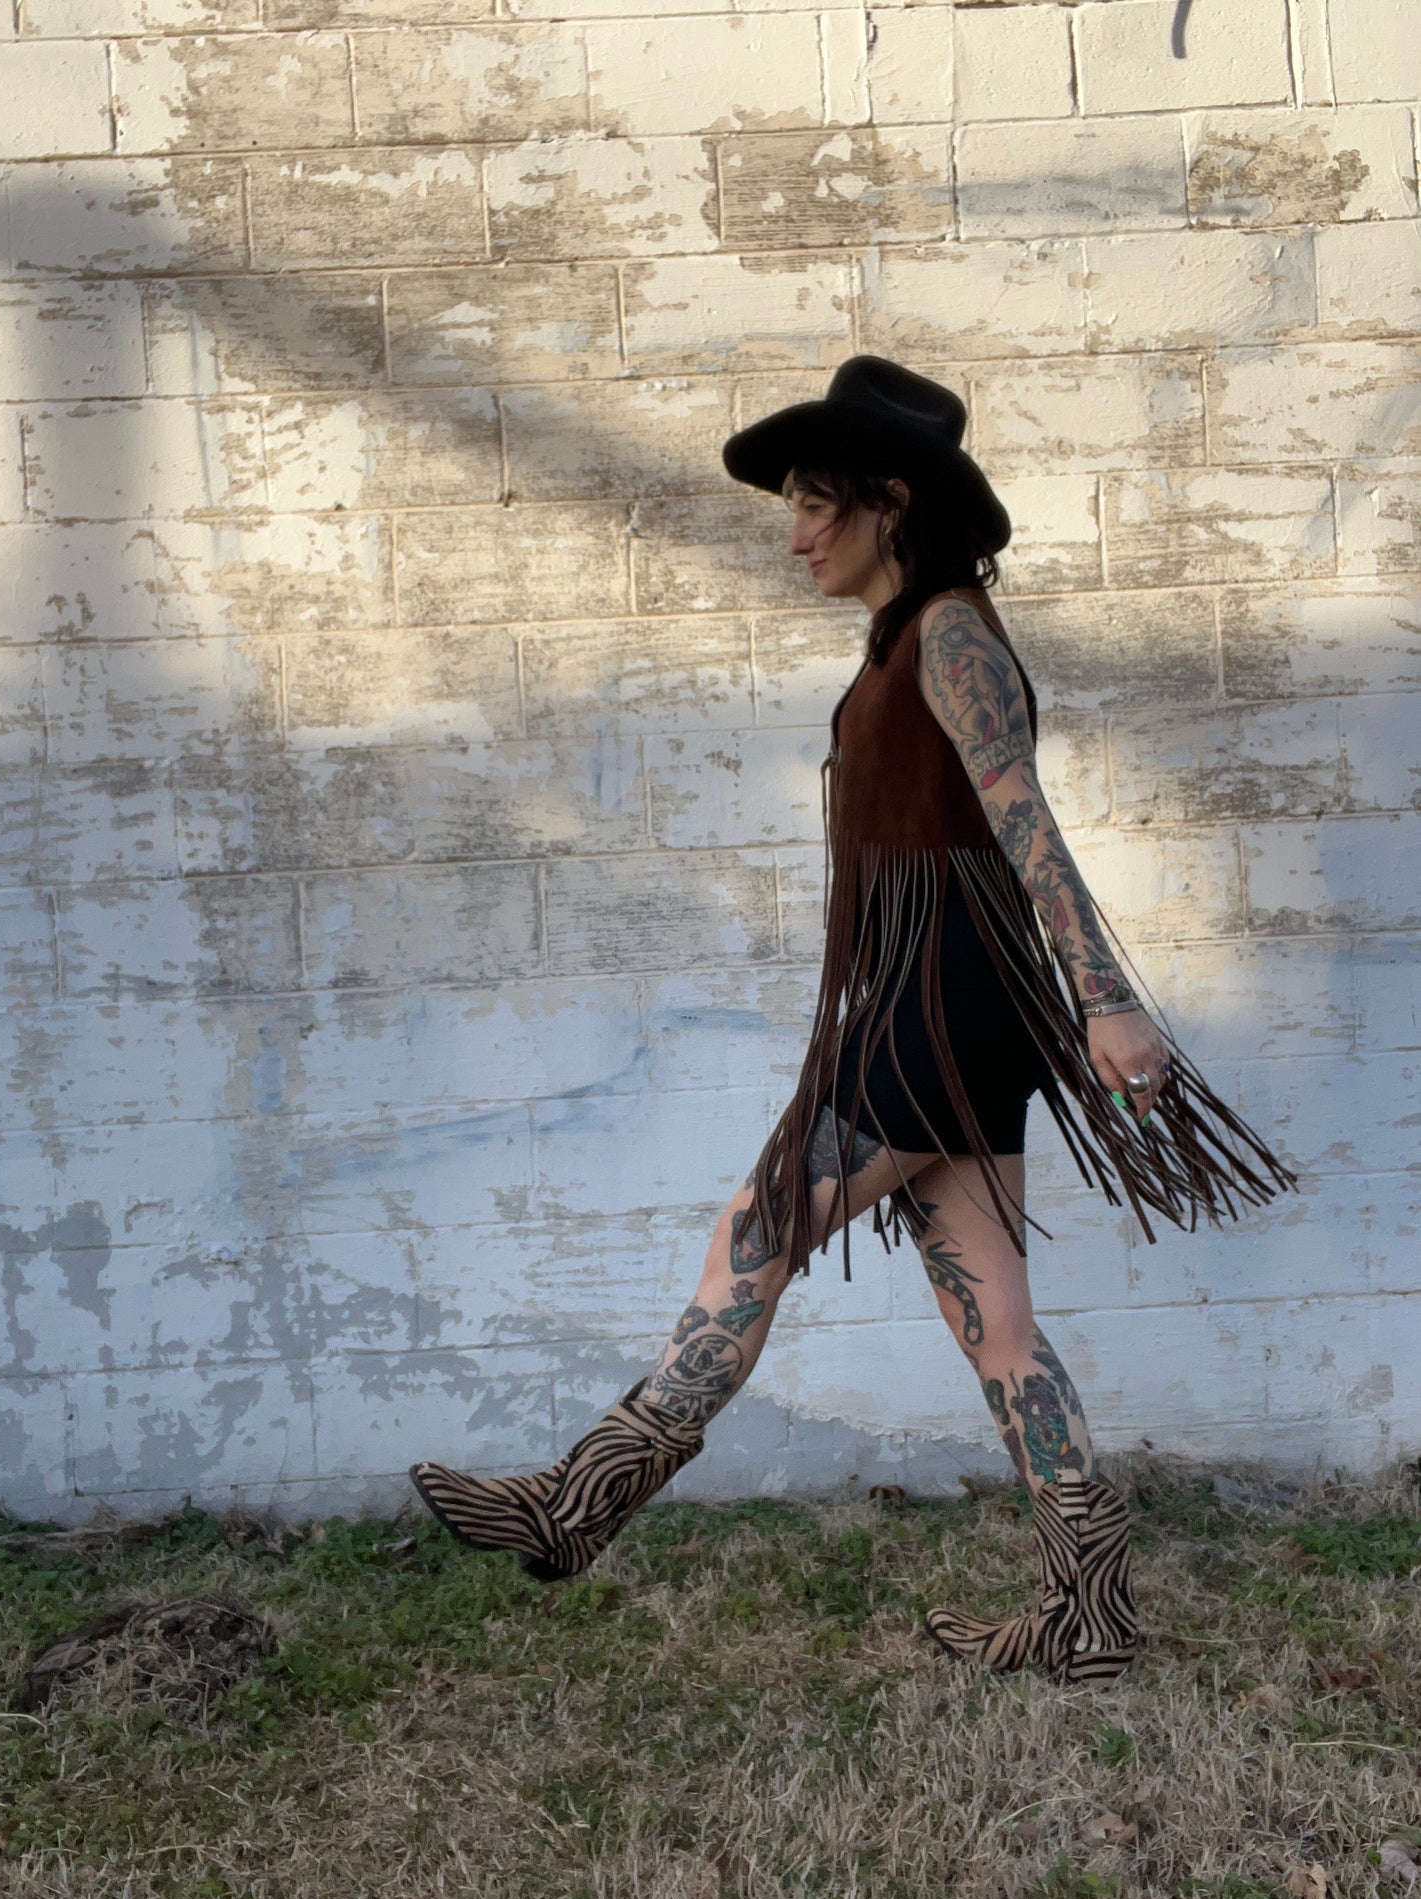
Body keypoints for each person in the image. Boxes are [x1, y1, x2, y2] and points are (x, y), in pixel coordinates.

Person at [410, 358, 1296, 1683]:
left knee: (756, 1230)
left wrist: (1108, 1003)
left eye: (818, 504)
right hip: (940, 1004)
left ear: (892, 500)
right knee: (993, 1320)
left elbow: (1022, 822)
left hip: (947, 998)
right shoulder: (905, 640)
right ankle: (1092, 1609)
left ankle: (575, 1500)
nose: (794, 533)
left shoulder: (948, 633)